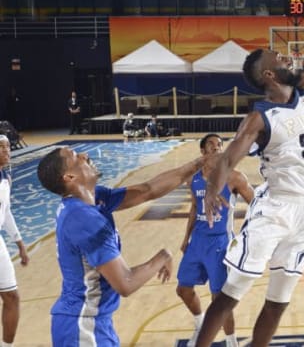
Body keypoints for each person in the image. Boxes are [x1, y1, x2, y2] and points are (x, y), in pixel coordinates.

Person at [195, 0, 304, 347]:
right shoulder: (259, 118)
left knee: (279, 302)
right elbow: (228, 158)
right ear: (268, 76)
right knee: (233, 292)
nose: (285, 57)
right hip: (276, 209)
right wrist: (210, 191)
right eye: (277, 59)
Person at [36, 146, 207, 346]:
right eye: (76, 157)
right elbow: (126, 282)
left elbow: (147, 190)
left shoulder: (92, 199)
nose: (84, 155)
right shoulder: (82, 218)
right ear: (70, 177)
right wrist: (162, 257)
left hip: (93, 322)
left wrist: (199, 163)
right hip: (83, 327)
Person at [178, 133, 255, 347]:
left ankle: (232, 342)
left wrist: (248, 235)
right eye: (211, 145)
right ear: (202, 151)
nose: (217, 148)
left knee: (219, 299)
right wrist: (186, 238)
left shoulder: (234, 177)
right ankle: (200, 322)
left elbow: (257, 205)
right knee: (183, 289)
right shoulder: (193, 178)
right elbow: (194, 208)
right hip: (198, 241)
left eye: (220, 144)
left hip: (220, 243)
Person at [0, 135, 29, 347]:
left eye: (8, 146)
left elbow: (6, 212)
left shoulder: (5, 176)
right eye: (1, 147)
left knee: (12, 297)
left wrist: (19, 243)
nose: (6, 150)